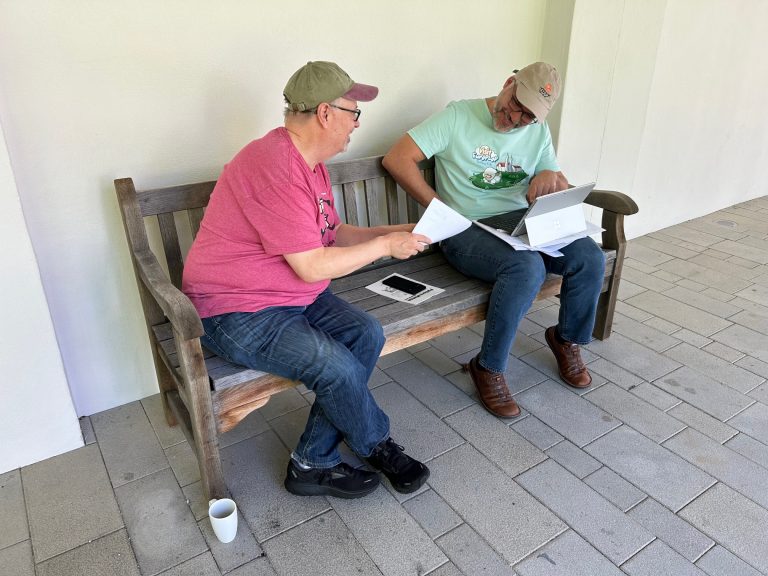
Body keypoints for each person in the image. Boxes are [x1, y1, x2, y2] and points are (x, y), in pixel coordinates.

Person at [182, 61, 431, 498]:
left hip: (287, 296)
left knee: (366, 333)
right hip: (235, 310)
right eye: (354, 113)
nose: (356, 123)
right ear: (325, 113)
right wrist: (385, 248)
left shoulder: (311, 165)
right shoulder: (273, 164)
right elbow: (313, 265)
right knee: (334, 366)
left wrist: (394, 233)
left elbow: (332, 234)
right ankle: (374, 442)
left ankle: (312, 460)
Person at [382, 62, 605, 418]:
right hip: (465, 229)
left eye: (528, 117)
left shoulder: (537, 130)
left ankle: (567, 340)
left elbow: (554, 176)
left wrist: (551, 176)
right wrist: (437, 206)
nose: (516, 120)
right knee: (526, 269)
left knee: (590, 258)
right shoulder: (458, 116)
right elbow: (397, 159)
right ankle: (488, 367)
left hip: (519, 222)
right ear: (508, 83)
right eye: (516, 106)